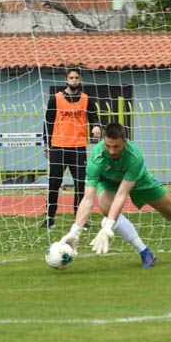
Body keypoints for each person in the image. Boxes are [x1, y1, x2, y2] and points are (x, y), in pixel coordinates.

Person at [58, 122, 171, 267]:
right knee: (106, 207)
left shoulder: (134, 156)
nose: (111, 151)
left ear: (125, 142)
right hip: (108, 183)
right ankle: (145, 253)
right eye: (108, 146)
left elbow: (122, 194)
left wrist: (108, 225)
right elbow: (88, 199)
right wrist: (75, 230)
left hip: (140, 181)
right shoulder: (96, 159)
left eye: (116, 146)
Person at [41, 68, 102, 229]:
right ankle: (49, 218)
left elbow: (93, 117)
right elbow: (48, 123)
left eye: (76, 77)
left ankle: (80, 220)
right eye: (71, 77)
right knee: (54, 183)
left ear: (80, 79)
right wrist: (46, 145)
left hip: (78, 148)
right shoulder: (55, 99)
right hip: (58, 147)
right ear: (66, 80)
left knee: (80, 185)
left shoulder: (86, 99)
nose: (74, 80)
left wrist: (96, 126)